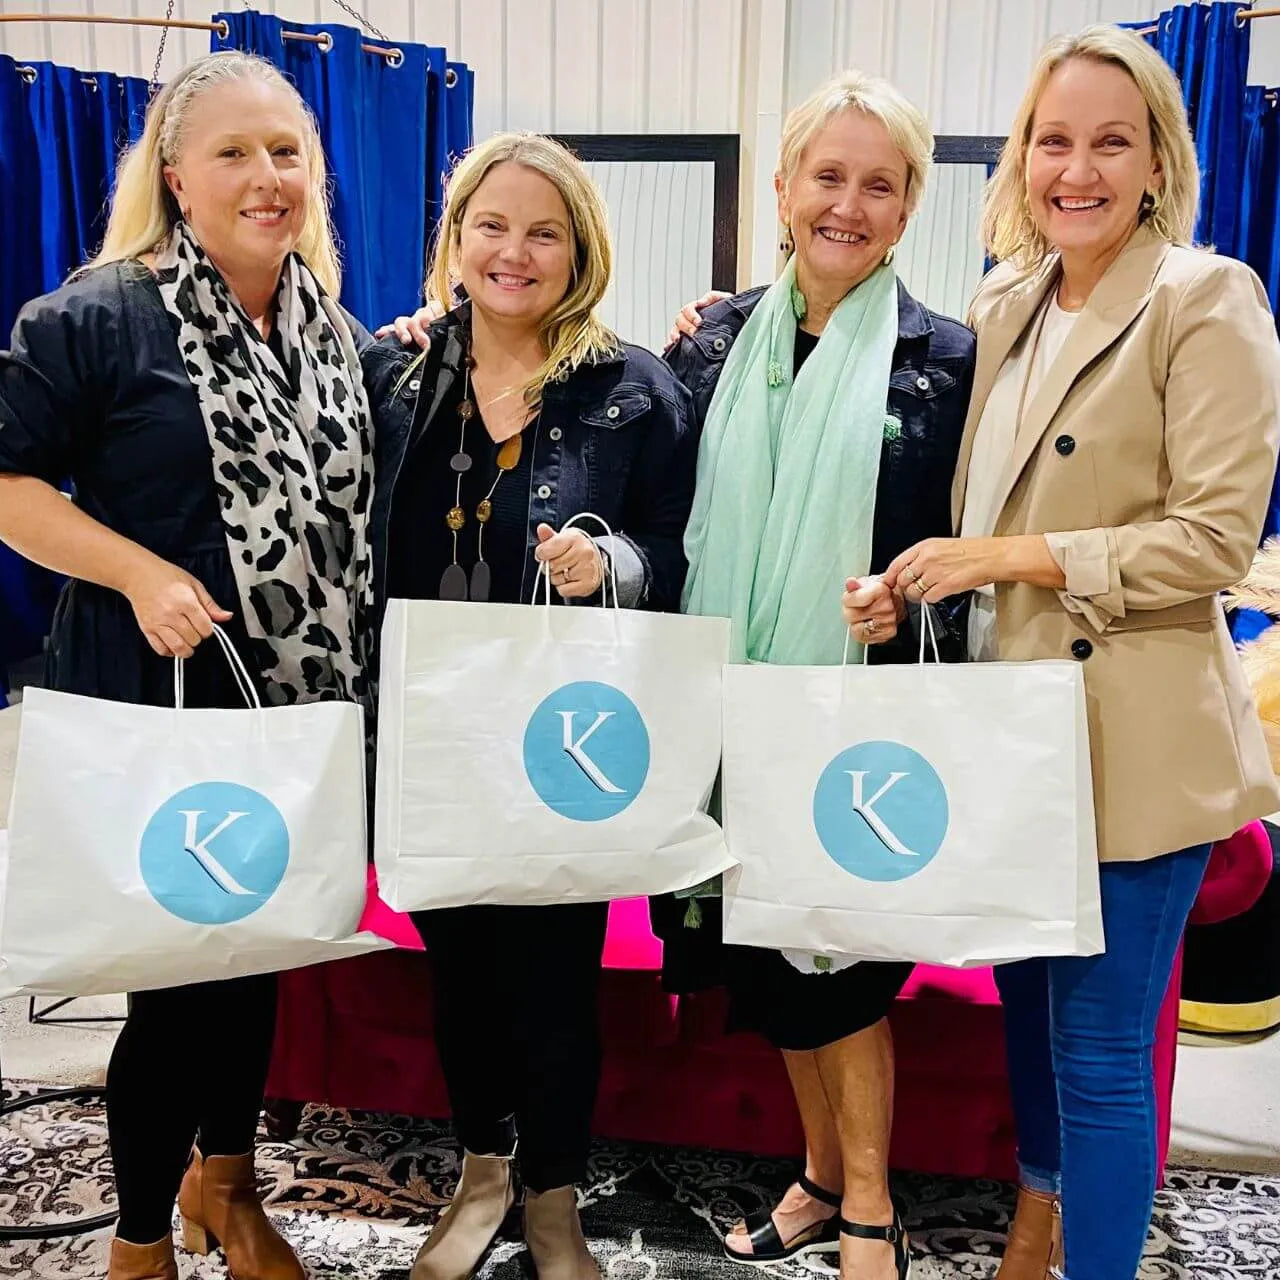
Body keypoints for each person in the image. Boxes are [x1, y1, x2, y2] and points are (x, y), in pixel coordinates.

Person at [884, 26, 1280, 1280]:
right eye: (1053, 139)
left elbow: (1212, 538)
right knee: (1029, 1017)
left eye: (1110, 141)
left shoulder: (1205, 298)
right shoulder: (1004, 298)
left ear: (1157, 159)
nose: (1076, 168)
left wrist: (1006, 560)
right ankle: (1034, 1223)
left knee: (1101, 1046)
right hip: (1013, 729)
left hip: (1134, 734)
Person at [0, 52, 374, 1280]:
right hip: (153, 700)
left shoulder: (336, 331)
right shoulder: (94, 317)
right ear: (175, 175)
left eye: (285, 152)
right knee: (170, 986)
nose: (266, 177)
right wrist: (133, 570)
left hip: (288, 710)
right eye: (233, 153)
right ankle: (140, 1234)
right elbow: (9, 489)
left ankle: (231, 1186)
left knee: (256, 963)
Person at [362, 132, 697, 1280]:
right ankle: (479, 1170)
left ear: (579, 249)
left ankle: (553, 1195)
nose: (514, 251)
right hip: (434, 731)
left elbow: (673, 548)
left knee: (555, 975)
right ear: (454, 241)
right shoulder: (393, 374)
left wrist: (607, 567)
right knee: (459, 973)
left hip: (570, 739)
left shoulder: (633, 386)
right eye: (489, 226)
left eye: (542, 230)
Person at [661, 71, 973, 1280]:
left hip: (859, 714)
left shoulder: (950, 359)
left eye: (877, 183)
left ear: (905, 212)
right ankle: (815, 1174)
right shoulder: (711, 342)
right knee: (766, 956)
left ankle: (870, 1208)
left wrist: (902, 595)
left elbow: (968, 541)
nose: (847, 202)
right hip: (728, 712)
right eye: (826, 175)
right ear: (783, 189)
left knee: (838, 967)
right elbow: (655, 488)